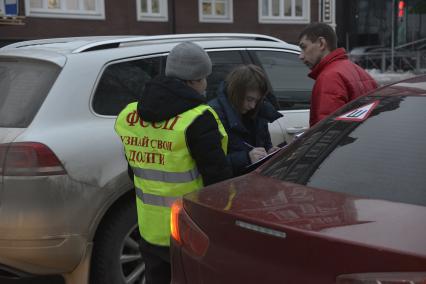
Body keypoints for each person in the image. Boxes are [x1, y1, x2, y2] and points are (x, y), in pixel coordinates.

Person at [115, 41, 232, 284]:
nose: (206, 84)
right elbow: (218, 179)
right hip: (191, 229)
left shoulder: (129, 114)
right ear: (192, 81)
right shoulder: (199, 118)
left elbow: (134, 171)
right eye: (204, 78)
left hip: (149, 229)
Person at [298, 22, 378, 127]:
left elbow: (327, 131)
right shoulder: (359, 71)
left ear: (321, 43)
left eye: (304, 47)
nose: (301, 56)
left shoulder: (329, 77)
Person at [209, 64, 282, 176]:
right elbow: (211, 164)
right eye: (249, 99)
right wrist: (246, 158)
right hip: (229, 185)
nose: (252, 106)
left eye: (256, 101)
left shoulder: (259, 112)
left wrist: (269, 152)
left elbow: (265, 144)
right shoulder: (213, 114)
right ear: (236, 93)